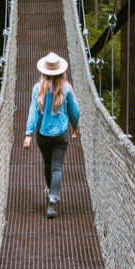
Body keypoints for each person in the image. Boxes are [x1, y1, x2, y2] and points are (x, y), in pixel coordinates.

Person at [23, 51, 80, 218]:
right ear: (61, 71)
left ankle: (50, 191)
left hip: (43, 135)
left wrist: (28, 134)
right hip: (61, 134)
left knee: (48, 165)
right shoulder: (67, 88)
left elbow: (33, 112)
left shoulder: (37, 89)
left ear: (44, 71)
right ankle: (52, 202)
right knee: (57, 167)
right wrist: (75, 127)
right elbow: (74, 111)